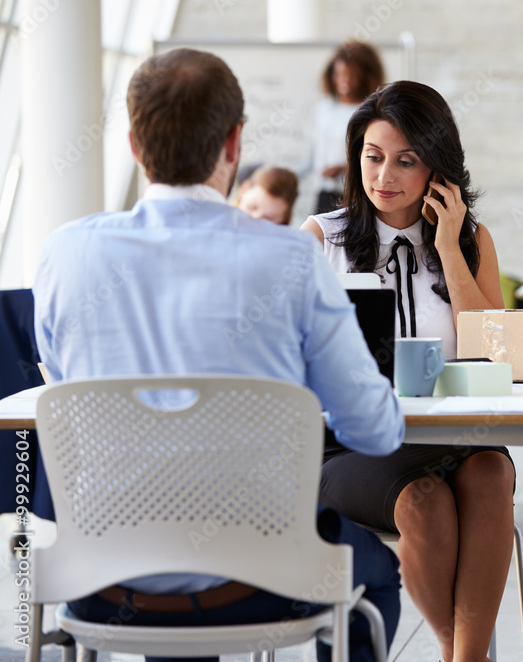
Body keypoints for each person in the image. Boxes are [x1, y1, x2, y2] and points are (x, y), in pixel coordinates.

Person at [32, 48, 404, 662]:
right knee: (378, 573)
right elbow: (374, 430)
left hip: (102, 583)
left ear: (132, 142)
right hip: (263, 585)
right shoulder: (292, 260)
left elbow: (69, 382)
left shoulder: (64, 256)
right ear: (234, 141)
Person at [301, 80, 514, 662]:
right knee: (423, 500)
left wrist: (448, 249)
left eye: (406, 160)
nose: (384, 176)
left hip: (451, 435)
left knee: (492, 473)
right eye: (373, 157)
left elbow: (495, 350)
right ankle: (460, 652)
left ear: (438, 168)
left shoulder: (470, 242)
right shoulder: (323, 240)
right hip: (348, 445)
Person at [299, 41, 384, 214]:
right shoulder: (323, 109)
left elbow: (379, 156)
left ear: (365, 75)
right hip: (324, 195)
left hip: (356, 195)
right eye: (339, 74)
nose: (344, 81)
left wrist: (345, 168)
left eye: (351, 75)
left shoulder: (372, 112)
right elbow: (310, 158)